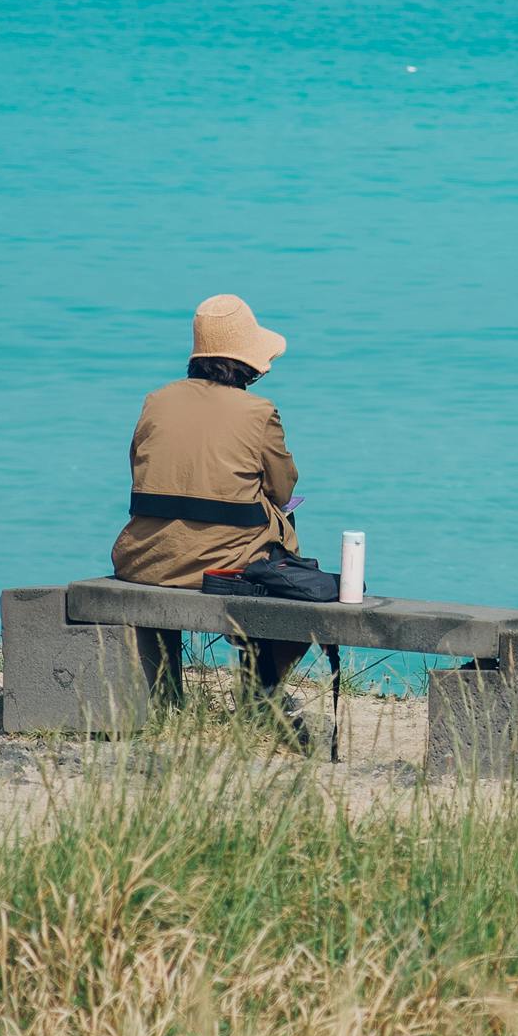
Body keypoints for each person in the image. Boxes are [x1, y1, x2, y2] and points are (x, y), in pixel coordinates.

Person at [110, 293, 318, 736]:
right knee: (291, 561)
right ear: (250, 361)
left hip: (145, 560)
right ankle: (259, 692)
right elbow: (282, 489)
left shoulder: (156, 401)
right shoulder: (259, 412)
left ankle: (166, 694)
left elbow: (142, 471)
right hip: (221, 569)